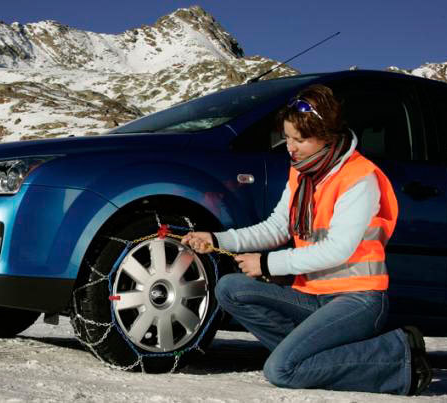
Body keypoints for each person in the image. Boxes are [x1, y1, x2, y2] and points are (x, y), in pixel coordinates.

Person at [181, 84, 432, 395]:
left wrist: (266, 263)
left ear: (327, 135)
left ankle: (397, 356)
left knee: (281, 370)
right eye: (287, 138)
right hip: (312, 296)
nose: (291, 147)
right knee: (229, 288)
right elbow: (275, 228)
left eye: (300, 140)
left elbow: (338, 249)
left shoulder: (360, 178)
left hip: (357, 300)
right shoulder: (302, 173)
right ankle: (311, 356)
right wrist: (217, 238)